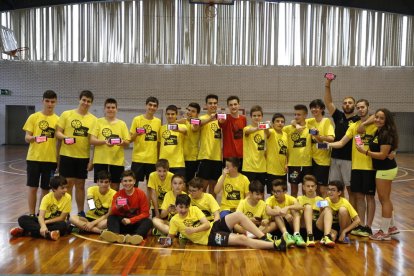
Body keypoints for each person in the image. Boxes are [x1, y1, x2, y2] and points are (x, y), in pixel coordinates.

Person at [165, 194, 287, 251]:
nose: (183, 210)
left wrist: (193, 230)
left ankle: (263, 237)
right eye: (180, 207)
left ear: (189, 206)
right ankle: (275, 246)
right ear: (176, 207)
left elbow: (207, 224)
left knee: (238, 215)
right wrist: (165, 244)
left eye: (185, 207)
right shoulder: (174, 220)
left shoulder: (194, 209)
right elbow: (170, 237)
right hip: (209, 238)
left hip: (213, 226)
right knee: (242, 240)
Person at [329, 99, 376, 237]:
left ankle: (369, 226)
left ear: (368, 107)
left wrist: (365, 123)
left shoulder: (375, 124)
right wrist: (327, 144)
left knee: (370, 197)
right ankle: (361, 225)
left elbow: (381, 115)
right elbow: (342, 142)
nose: (360, 109)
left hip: (370, 167)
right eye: (359, 107)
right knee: (360, 197)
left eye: (363, 107)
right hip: (356, 167)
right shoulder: (353, 126)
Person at [356, 108, 399, 241]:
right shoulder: (379, 131)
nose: (378, 120)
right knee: (385, 199)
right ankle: (391, 227)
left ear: (387, 121)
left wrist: (365, 152)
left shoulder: (385, 133)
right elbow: (391, 148)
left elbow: (382, 155)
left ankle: (384, 231)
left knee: (384, 199)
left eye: (381, 118)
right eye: (376, 117)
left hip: (385, 169)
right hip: (383, 169)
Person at [56, 90, 97, 217]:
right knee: (67, 185)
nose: (86, 103)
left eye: (88, 101)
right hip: (67, 156)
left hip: (83, 157)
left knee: (80, 185)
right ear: (79, 99)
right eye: (84, 100)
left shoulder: (93, 120)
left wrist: (91, 161)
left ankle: (80, 212)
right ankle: (65, 212)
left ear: (91, 103)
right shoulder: (66, 114)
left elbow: (93, 141)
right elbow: (58, 132)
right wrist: (65, 138)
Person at [23, 90, 59, 216]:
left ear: (56, 102)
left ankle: (41, 215)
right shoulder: (33, 117)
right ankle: (32, 214)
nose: (50, 104)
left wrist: (58, 160)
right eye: (47, 101)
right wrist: (33, 138)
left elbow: (59, 142)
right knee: (32, 188)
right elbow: (27, 137)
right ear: (43, 101)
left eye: (52, 101)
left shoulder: (58, 120)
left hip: (50, 160)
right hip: (33, 158)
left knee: (45, 189)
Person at [324, 76, 360, 205]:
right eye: (345, 103)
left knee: (351, 190)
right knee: (336, 189)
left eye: (350, 103)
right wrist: (327, 84)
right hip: (334, 158)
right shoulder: (338, 116)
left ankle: (351, 216)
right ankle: (339, 215)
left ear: (354, 105)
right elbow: (328, 102)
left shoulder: (358, 120)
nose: (347, 105)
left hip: (349, 159)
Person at [10, 176, 71, 241]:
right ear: (54, 189)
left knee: (63, 225)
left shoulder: (68, 197)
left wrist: (46, 223)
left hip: (55, 222)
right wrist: (43, 225)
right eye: (62, 188)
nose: (65, 190)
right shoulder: (46, 198)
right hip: (43, 221)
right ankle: (48, 234)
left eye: (66, 187)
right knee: (22, 219)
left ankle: (27, 232)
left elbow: (62, 218)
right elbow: (41, 216)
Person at [100, 170, 153, 245]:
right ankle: (115, 235)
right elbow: (113, 213)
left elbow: (145, 213)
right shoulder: (118, 195)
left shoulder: (140, 194)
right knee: (111, 217)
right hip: (123, 223)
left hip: (135, 223)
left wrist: (131, 220)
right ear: (121, 182)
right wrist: (117, 207)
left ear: (134, 181)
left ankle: (135, 237)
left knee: (148, 221)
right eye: (125, 181)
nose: (127, 183)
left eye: (130, 180)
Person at [89, 98, 130, 191]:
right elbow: (91, 140)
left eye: (113, 107)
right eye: (108, 107)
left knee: (115, 187)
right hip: (100, 160)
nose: (110, 109)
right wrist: (104, 142)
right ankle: (99, 206)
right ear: (104, 109)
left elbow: (127, 143)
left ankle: (113, 206)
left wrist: (121, 142)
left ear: (116, 109)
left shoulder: (122, 124)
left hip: (117, 161)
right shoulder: (98, 122)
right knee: (100, 187)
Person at [130, 96, 161, 185]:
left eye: (154, 106)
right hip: (138, 158)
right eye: (150, 105)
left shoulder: (158, 122)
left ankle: (149, 200)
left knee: (151, 186)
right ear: (145, 106)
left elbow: (158, 142)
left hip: (152, 160)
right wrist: (137, 133)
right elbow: (130, 139)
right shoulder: (137, 119)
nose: (152, 107)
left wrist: (158, 159)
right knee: (133, 184)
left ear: (157, 108)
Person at [306, 99, 335, 197]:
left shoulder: (326, 121)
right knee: (314, 187)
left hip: (323, 160)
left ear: (322, 109)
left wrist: (318, 136)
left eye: (317, 107)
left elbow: (331, 139)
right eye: (312, 107)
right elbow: (295, 121)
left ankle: (325, 209)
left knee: (322, 189)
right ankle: (317, 209)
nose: (314, 110)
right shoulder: (310, 121)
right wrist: (296, 125)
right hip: (311, 159)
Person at [297, 175, 335, 247]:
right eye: (308, 186)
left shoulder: (320, 200)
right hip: (303, 227)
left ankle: (326, 236)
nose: (310, 188)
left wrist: (322, 210)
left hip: (317, 227)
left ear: (316, 187)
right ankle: (309, 236)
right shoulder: (299, 199)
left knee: (328, 209)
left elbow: (327, 214)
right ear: (303, 187)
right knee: (308, 207)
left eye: (312, 186)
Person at [265, 179, 305, 248]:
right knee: (276, 210)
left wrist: (288, 207)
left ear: (285, 192)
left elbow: (300, 207)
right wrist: (284, 214)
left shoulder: (290, 198)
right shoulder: (270, 199)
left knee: (294, 210)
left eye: (278, 191)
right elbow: (268, 211)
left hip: (291, 223)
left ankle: (296, 234)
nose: (275, 194)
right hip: (279, 224)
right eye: (274, 191)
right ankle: (286, 236)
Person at [283, 104, 313, 197]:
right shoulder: (288, 128)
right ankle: (293, 210)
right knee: (293, 190)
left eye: (299, 115)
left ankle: (305, 209)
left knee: (307, 190)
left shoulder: (310, 128)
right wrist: (286, 162)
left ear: (305, 115)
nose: (296, 117)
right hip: (293, 164)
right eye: (295, 114)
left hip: (307, 164)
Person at [197, 94, 222, 195]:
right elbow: (196, 124)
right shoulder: (202, 118)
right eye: (210, 103)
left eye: (215, 103)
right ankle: (201, 210)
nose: (213, 105)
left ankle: (212, 210)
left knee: (214, 189)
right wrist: (210, 119)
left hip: (217, 158)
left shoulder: (221, 119)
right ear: (206, 105)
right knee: (203, 187)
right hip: (205, 157)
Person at [242, 105, 267, 187]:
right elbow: (249, 131)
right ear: (251, 117)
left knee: (261, 192)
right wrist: (259, 127)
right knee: (249, 193)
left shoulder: (265, 131)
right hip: (249, 167)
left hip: (262, 167)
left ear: (262, 116)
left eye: (259, 115)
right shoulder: (246, 129)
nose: (257, 117)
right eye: (254, 116)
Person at [159, 105, 188, 176]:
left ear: (176, 115)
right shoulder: (161, 128)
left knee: (178, 186)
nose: (170, 116)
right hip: (163, 164)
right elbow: (159, 145)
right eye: (168, 114)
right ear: (165, 115)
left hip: (178, 163)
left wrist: (177, 129)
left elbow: (185, 131)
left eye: (172, 114)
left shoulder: (182, 126)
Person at [218, 96, 246, 164]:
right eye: (231, 105)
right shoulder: (225, 118)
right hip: (228, 156)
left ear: (239, 105)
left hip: (241, 155)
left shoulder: (243, 119)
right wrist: (221, 120)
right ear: (228, 107)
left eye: (235, 104)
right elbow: (221, 122)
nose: (233, 107)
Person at [266, 113, 288, 194]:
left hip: (282, 172)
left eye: (282, 121)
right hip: (272, 171)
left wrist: (286, 163)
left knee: (282, 194)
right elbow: (266, 131)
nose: (280, 123)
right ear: (273, 123)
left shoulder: (285, 135)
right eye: (277, 121)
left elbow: (286, 151)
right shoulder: (271, 132)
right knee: (273, 195)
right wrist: (267, 125)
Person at [179, 102, 201, 182]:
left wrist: (185, 120)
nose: (189, 112)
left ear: (197, 114)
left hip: (191, 159)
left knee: (188, 183)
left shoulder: (196, 123)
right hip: (180, 158)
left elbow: (194, 128)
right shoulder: (184, 121)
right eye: (188, 110)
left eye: (193, 111)